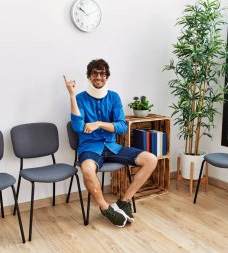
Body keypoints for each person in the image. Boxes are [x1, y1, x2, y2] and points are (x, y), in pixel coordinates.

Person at [63, 59, 158, 227]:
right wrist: (71, 95)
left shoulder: (113, 97)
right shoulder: (80, 98)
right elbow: (78, 127)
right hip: (90, 148)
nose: (98, 77)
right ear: (89, 76)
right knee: (87, 169)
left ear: (107, 77)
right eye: (95, 73)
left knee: (151, 159)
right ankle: (105, 208)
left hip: (112, 147)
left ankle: (125, 201)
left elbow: (122, 127)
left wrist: (98, 123)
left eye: (102, 74)